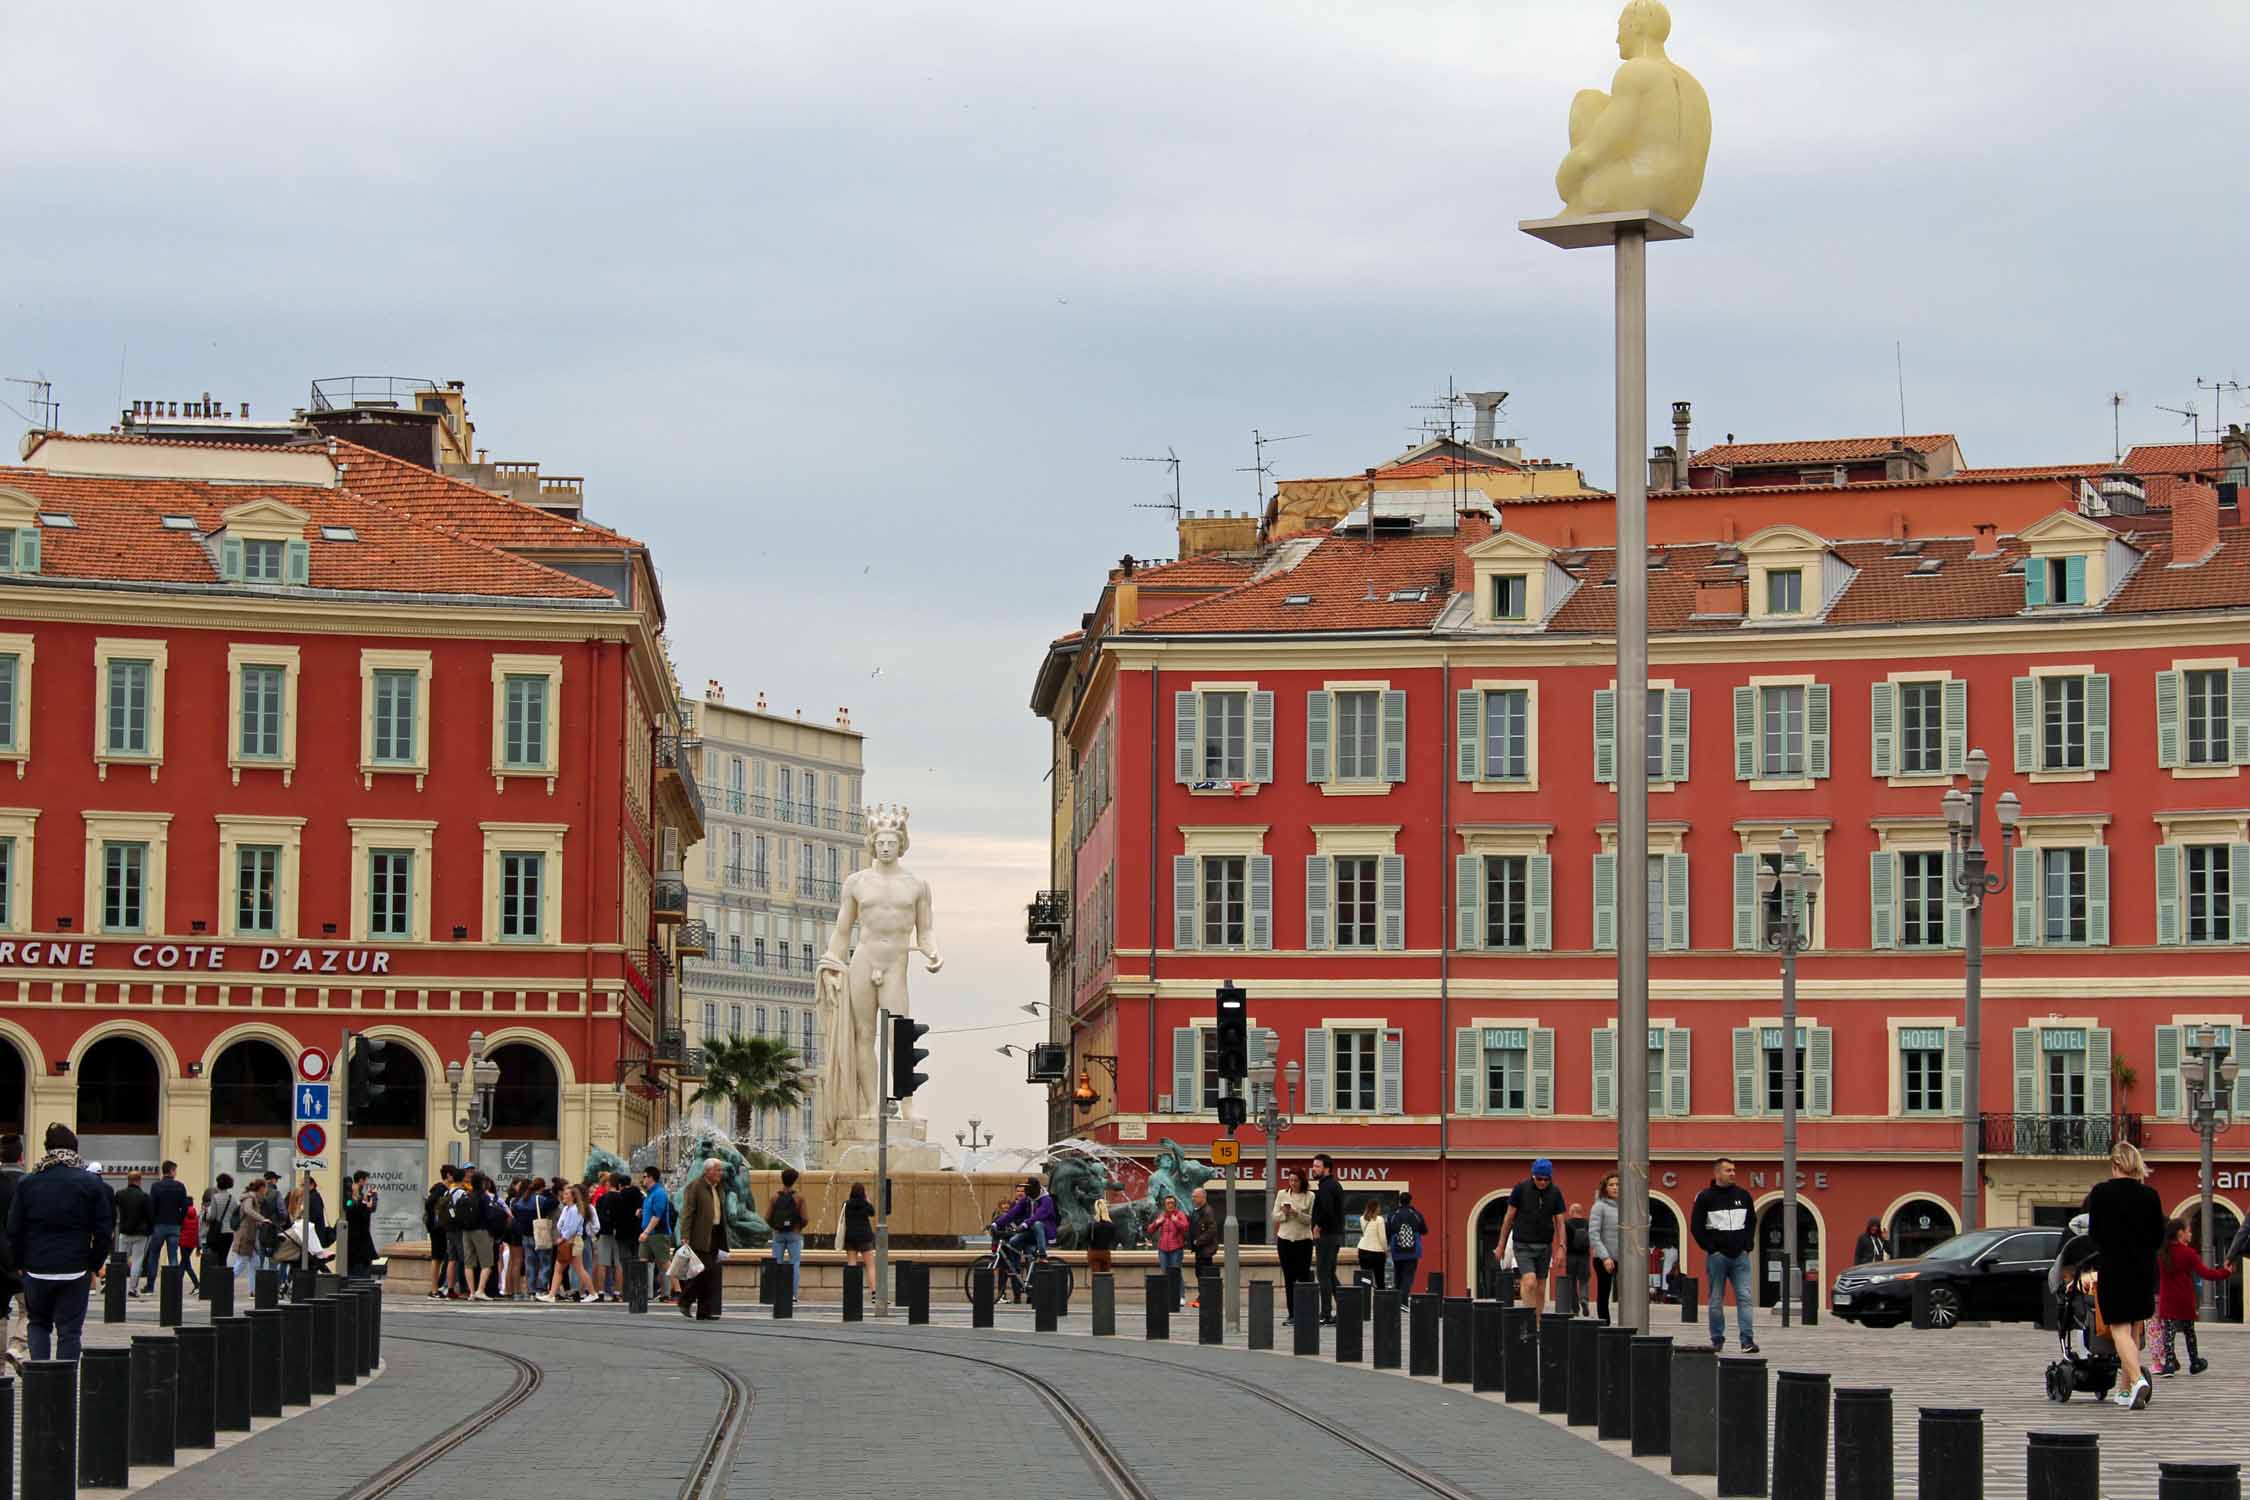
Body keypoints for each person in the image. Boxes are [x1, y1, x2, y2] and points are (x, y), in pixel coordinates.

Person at [8, 1125, 113, 1361]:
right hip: (75, 1268)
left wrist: (20, 1263)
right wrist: (93, 1263)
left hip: (36, 1267)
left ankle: (40, 1378)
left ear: (47, 1148)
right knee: (70, 1332)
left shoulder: (28, 1182)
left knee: (38, 1325)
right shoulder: (90, 1183)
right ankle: (65, 1384)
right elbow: (104, 1230)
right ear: (74, 1148)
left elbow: (14, 1228)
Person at [2085, 1141, 2166, 1410]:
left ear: (2115, 1164)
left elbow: (2094, 1234)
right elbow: (2158, 1237)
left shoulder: (2100, 1193)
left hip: (2114, 1265)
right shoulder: (2150, 1196)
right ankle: (2125, 1390)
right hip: (2143, 1268)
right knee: (2133, 1329)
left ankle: (2137, 1380)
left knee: (2118, 1329)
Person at [1691, 1157, 1757, 1353]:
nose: (1733, 1174)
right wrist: (1711, 1248)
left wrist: (1747, 1245)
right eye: (1728, 1170)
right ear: (1717, 1173)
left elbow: (1751, 1221)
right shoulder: (1705, 1197)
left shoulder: (1743, 1195)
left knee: (1745, 1297)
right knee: (1716, 1299)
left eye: (1734, 1170)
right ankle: (1717, 1338)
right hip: (1717, 1257)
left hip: (1740, 1256)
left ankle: (1747, 1340)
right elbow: (1696, 1227)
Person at [2153, 1215, 2226, 1377]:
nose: (2191, 1234)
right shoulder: (2188, 1253)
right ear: (2180, 1233)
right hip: (2184, 1299)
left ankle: (2169, 1363)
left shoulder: (2162, 1253)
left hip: (2167, 1299)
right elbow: (2205, 1273)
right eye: (2189, 1231)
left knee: (2169, 1331)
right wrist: (2225, 1272)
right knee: (2189, 1331)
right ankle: (2194, 1362)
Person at [1496, 1158, 1567, 1310]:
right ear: (1533, 1175)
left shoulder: (1555, 1192)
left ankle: (1537, 1324)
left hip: (1544, 1246)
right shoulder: (1520, 1189)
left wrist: (1562, 1246)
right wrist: (1501, 1246)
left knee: (1541, 1289)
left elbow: (1560, 1222)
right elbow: (1508, 1218)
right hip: (1523, 1244)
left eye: (1546, 1179)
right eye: (1539, 1179)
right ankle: (1527, 1321)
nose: (1542, 1182)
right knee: (1530, 1283)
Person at [675, 1158, 730, 1321]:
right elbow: (687, 1212)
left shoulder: (718, 1187)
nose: (721, 1173)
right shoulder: (695, 1186)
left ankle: (704, 1311)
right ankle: (685, 1300)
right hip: (700, 1235)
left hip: (715, 1234)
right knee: (703, 1272)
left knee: (710, 1274)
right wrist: (685, 1235)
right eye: (718, 1170)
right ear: (708, 1171)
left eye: (721, 1170)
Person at [1308, 1153, 1345, 1324]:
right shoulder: (1332, 1185)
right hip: (1333, 1235)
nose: (1313, 1169)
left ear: (1326, 1168)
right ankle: (1345, 1308)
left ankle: (1325, 1313)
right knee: (1329, 1273)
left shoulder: (1326, 1187)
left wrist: (1317, 1226)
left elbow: (1327, 1210)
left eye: (1317, 1166)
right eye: (1313, 1165)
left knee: (1323, 1274)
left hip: (1327, 1236)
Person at [536, 1183, 588, 1303]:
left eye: (566, 1194)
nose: (563, 1196)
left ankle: (591, 1292)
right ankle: (552, 1294)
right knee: (560, 1269)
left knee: (573, 1269)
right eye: (564, 1193)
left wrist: (563, 1238)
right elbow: (561, 1225)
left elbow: (572, 1228)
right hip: (566, 1241)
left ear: (573, 1196)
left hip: (571, 1241)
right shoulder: (566, 1209)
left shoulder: (575, 1209)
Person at [1273, 1168, 1313, 1319]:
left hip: (1303, 1241)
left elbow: (1310, 1220)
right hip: (1285, 1240)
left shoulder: (1310, 1196)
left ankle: (1303, 1312)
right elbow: (1274, 1217)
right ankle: (1292, 1313)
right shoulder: (1282, 1194)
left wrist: (1297, 1213)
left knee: (1303, 1276)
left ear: (1302, 1181)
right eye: (1290, 1180)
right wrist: (1284, 1213)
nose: (1293, 1183)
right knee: (1289, 1277)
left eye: (1296, 1180)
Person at [143, 1160, 189, 1293]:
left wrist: (153, 1222)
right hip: (174, 1225)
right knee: (173, 1255)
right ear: (172, 1171)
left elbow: (151, 1206)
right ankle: (173, 1286)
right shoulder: (180, 1186)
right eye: (175, 1170)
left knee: (154, 1254)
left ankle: (150, 1285)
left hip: (159, 1225)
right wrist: (179, 1220)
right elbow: (185, 1206)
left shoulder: (156, 1186)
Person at [766, 1167, 807, 1302]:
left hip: (778, 1235)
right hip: (794, 1234)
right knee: (794, 1264)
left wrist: (776, 1227)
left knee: (776, 1263)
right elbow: (805, 1218)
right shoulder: (799, 1198)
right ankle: (793, 1294)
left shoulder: (774, 1197)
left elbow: (767, 1217)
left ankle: (774, 1293)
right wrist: (797, 1228)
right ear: (795, 1180)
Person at [0, 1134, 24, 1369]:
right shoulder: (27, 1183)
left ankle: (0, 1368)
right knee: (31, 1308)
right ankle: (16, 1346)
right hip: (20, 1257)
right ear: (21, 1157)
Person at [112, 1170, 153, 1297]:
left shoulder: (119, 1194)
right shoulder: (144, 1197)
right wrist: (150, 1230)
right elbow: (150, 1216)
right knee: (137, 1261)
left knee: (121, 1260)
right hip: (140, 1234)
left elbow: (115, 1211)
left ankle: (118, 1286)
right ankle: (132, 1288)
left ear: (128, 1180)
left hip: (124, 1232)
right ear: (139, 1181)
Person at [638, 1167, 676, 1300]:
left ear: (650, 1178)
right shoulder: (649, 1194)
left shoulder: (659, 1193)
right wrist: (641, 1213)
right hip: (648, 1233)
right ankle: (643, 1292)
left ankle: (677, 1291)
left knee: (665, 1263)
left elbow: (657, 1216)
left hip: (659, 1233)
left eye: (644, 1176)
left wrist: (646, 1232)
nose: (643, 1179)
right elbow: (650, 1213)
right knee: (643, 1262)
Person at [1588, 1173, 1622, 1324]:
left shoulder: (1628, 1207)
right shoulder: (1599, 1207)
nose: (1615, 1187)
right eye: (1611, 1185)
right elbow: (1593, 1234)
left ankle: (1628, 1325)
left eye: (1618, 1184)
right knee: (1604, 1293)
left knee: (1629, 1294)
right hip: (1604, 1258)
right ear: (1605, 1188)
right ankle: (1604, 1326)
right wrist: (1605, 1257)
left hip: (1624, 1258)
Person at [1152, 1194, 1190, 1313]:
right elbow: (1149, 1230)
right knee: (1164, 1272)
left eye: (1172, 1203)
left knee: (1176, 1272)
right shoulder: (1162, 1216)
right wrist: (1157, 1223)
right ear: (1165, 1205)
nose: (1170, 1205)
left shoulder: (1180, 1215)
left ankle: (1181, 1296)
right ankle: (1167, 1296)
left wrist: (1176, 1221)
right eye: (1167, 1203)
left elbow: (1185, 1228)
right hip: (1163, 1248)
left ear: (1175, 1204)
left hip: (1176, 1248)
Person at [1387, 1190, 1428, 1295]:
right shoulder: (1416, 1214)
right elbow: (1424, 1230)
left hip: (1397, 1249)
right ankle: (1404, 1301)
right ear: (1410, 1201)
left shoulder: (1393, 1215)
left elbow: (1388, 1231)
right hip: (1413, 1250)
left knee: (1398, 1274)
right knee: (1408, 1276)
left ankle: (1397, 1300)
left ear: (1400, 1201)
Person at [343, 1172, 379, 1282]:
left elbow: (368, 1209)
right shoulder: (351, 1202)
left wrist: (367, 1200)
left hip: (357, 1242)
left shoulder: (356, 1202)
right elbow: (352, 1207)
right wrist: (364, 1202)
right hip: (358, 1243)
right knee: (360, 1272)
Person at [1188, 1187, 1220, 1305]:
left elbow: (1212, 1230)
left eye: (1195, 1196)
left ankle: (1204, 1298)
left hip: (1205, 1250)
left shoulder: (1207, 1211)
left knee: (1203, 1274)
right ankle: (1203, 1297)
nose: (1193, 1198)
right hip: (1200, 1249)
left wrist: (1198, 1241)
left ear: (1202, 1197)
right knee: (1200, 1273)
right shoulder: (1198, 1210)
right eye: (1193, 1196)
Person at [840, 1182, 875, 1270]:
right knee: (870, 1266)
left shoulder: (846, 1204)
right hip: (865, 1238)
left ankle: (852, 1284)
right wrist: (867, 1200)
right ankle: (872, 1284)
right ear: (863, 1193)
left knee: (851, 1265)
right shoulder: (866, 1205)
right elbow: (872, 1212)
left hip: (850, 1238)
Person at [1356, 1198, 1388, 1291]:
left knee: (1365, 1278)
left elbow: (1365, 1233)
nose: (1380, 1209)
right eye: (1379, 1207)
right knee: (1379, 1279)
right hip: (1377, 1252)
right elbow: (1382, 1237)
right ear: (1376, 1208)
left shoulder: (1362, 1218)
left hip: (1363, 1250)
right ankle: (1381, 1301)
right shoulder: (1379, 1219)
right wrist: (1385, 1250)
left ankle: (1365, 1299)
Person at [1564, 1201, 1591, 1313]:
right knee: (1584, 1280)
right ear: (1580, 1211)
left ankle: (1575, 1308)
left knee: (1572, 1282)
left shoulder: (1567, 1223)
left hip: (1571, 1256)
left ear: (1572, 1211)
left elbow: (1564, 1239)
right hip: (1584, 1257)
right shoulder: (1587, 1223)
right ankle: (1584, 1299)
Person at [1086, 1198, 1116, 1275]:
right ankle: (1105, 1287)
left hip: (1094, 1252)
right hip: (1105, 1253)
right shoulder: (1111, 1225)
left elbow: (1087, 1239)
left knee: (1096, 1277)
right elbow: (1112, 1239)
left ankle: (1097, 1287)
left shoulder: (1092, 1225)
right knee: (1105, 1276)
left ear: (1096, 1210)